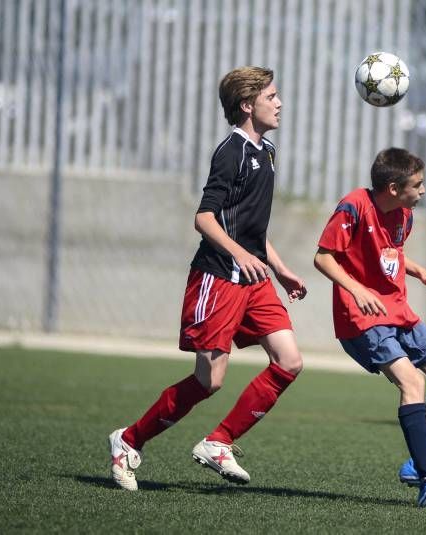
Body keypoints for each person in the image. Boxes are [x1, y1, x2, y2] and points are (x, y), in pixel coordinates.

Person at [108, 67, 308, 491]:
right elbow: (204, 218)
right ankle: (127, 440)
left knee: (289, 362)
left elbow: (251, 227)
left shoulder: (267, 152)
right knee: (210, 380)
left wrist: (281, 268)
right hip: (219, 278)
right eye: (272, 96)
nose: (280, 103)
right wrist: (239, 254)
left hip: (254, 280)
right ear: (247, 105)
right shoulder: (230, 151)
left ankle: (219, 442)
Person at [314, 148, 426, 508]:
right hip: (363, 317)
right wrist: (357, 289)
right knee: (412, 381)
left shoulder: (404, 214)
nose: (424, 191)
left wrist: (419, 271)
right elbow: (323, 257)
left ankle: (419, 464)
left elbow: (391, 253)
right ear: (394, 187)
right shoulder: (353, 205)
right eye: (418, 185)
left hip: (398, 310)